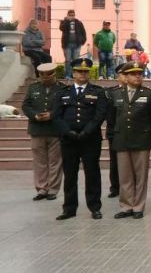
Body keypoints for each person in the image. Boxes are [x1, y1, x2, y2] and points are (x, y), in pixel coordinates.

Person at [52, 58, 107, 220]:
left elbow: (100, 115)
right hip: (69, 140)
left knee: (92, 173)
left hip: (90, 139)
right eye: (79, 71)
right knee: (70, 174)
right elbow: (56, 116)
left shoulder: (98, 92)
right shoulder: (63, 92)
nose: (83, 74)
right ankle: (69, 208)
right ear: (73, 73)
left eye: (85, 71)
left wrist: (86, 132)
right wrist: (68, 132)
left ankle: (95, 207)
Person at [106, 62, 151, 219]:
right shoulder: (115, 94)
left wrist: (144, 130)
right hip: (121, 138)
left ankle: (138, 206)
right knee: (124, 175)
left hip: (141, 139)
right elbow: (111, 117)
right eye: (133, 74)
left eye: (139, 74)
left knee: (141, 176)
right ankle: (126, 206)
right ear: (126, 76)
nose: (137, 76)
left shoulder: (149, 94)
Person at [22, 63, 64, 201]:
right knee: (39, 162)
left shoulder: (62, 88)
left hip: (55, 130)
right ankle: (41, 189)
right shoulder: (33, 87)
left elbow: (65, 107)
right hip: (37, 129)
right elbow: (25, 105)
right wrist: (34, 115)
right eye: (42, 75)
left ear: (54, 74)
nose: (45, 77)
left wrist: (52, 115)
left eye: (48, 75)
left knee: (55, 162)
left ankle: (53, 189)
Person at [105, 63, 127, 198]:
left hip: (131, 132)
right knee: (115, 161)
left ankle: (129, 187)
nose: (126, 77)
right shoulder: (110, 93)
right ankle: (115, 187)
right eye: (123, 74)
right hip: (114, 132)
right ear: (118, 76)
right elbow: (108, 114)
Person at [59, 10, 87, 79]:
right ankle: (68, 75)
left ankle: (75, 75)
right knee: (68, 60)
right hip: (67, 45)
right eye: (70, 15)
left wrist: (82, 41)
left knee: (76, 60)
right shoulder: (64, 22)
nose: (72, 16)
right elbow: (61, 28)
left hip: (77, 45)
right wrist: (67, 21)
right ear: (68, 15)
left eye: (73, 15)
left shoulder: (79, 22)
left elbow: (83, 32)